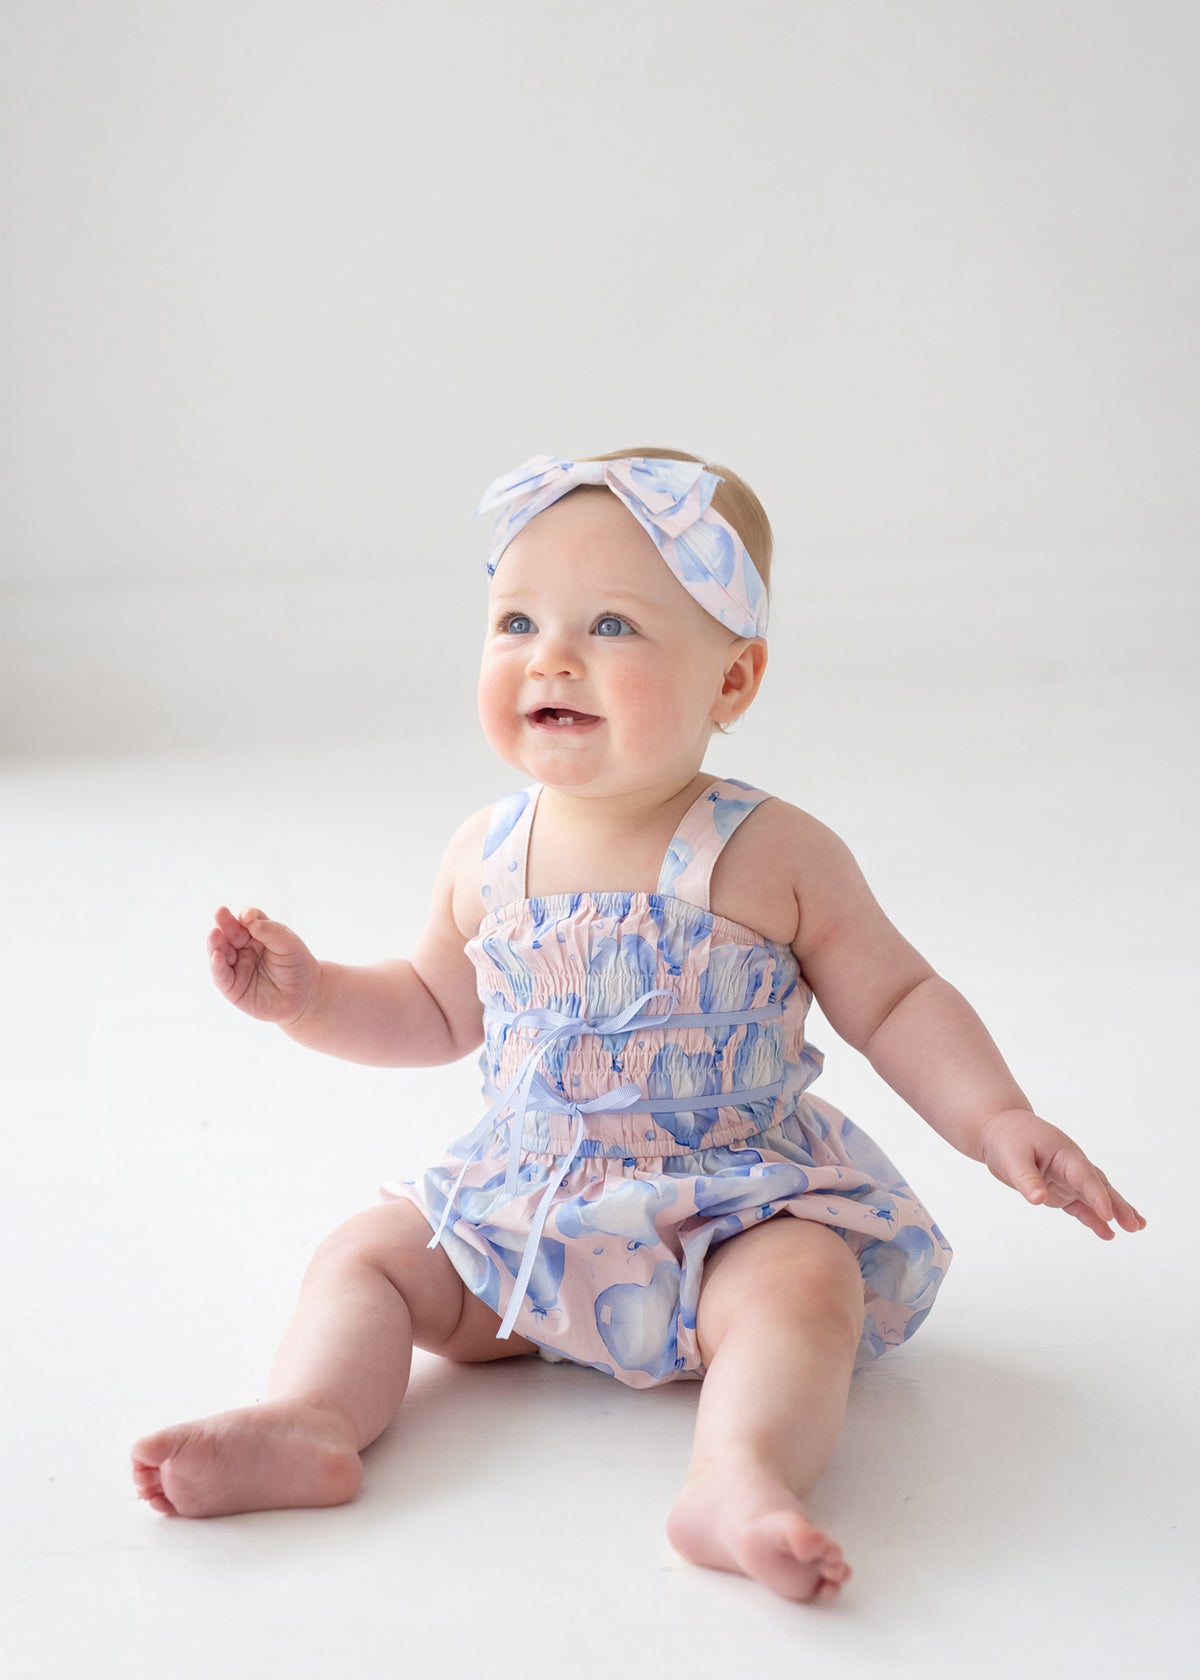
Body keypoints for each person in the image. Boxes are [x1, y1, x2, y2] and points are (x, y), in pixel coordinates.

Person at [131, 448, 1146, 1603]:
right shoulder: (488, 853)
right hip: (523, 1229)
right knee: (363, 1257)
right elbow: (427, 1007)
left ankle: (738, 1473)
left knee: (805, 1289)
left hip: (729, 1216)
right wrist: (309, 997)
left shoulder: (774, 853)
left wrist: (996, 1116)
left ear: (734, 681)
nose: (549, 656)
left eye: (612, 624)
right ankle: (313, 1417)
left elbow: (898, 998)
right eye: (516, 619)